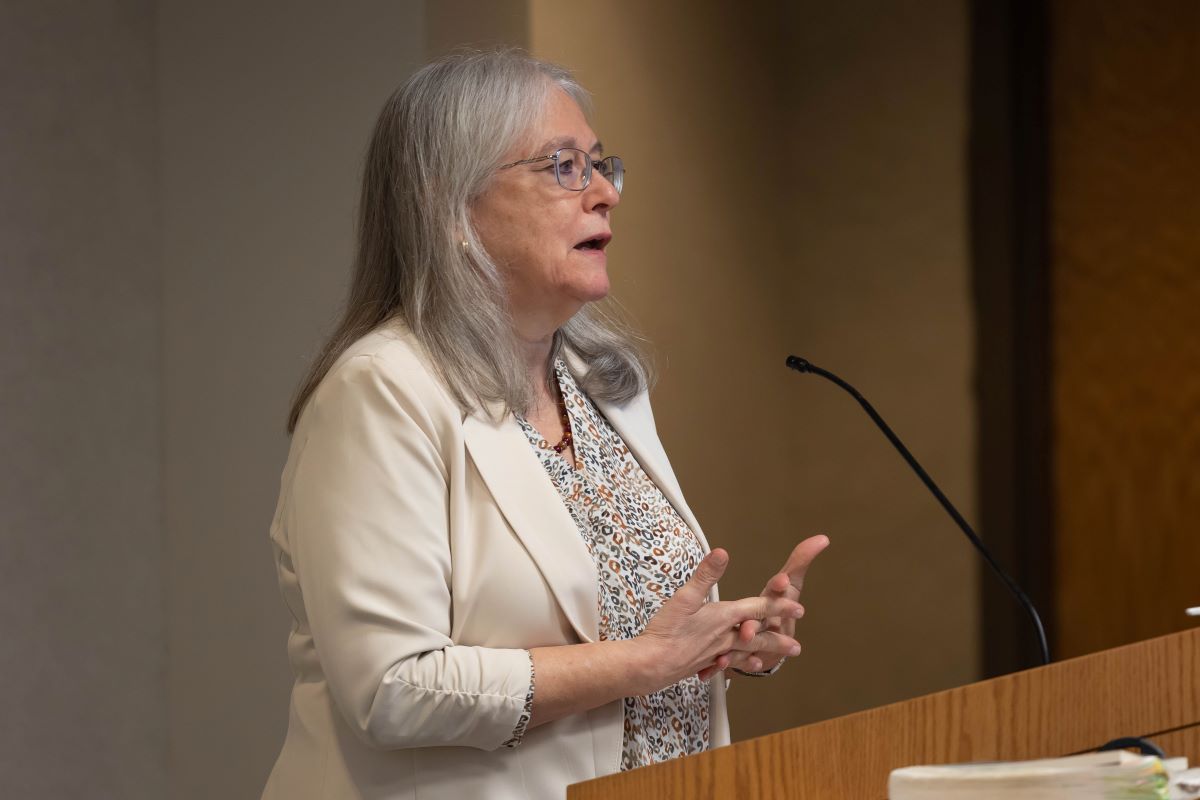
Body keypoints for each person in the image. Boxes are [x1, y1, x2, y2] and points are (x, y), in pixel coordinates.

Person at [261, 49, 829, 800]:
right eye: (564, 166)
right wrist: (649, 662)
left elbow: (626, 627)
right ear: (450, 206)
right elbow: (393, 687)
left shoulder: (602, 386)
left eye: (600, 165)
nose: (603, 194)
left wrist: (724, 637)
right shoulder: (381, 390)